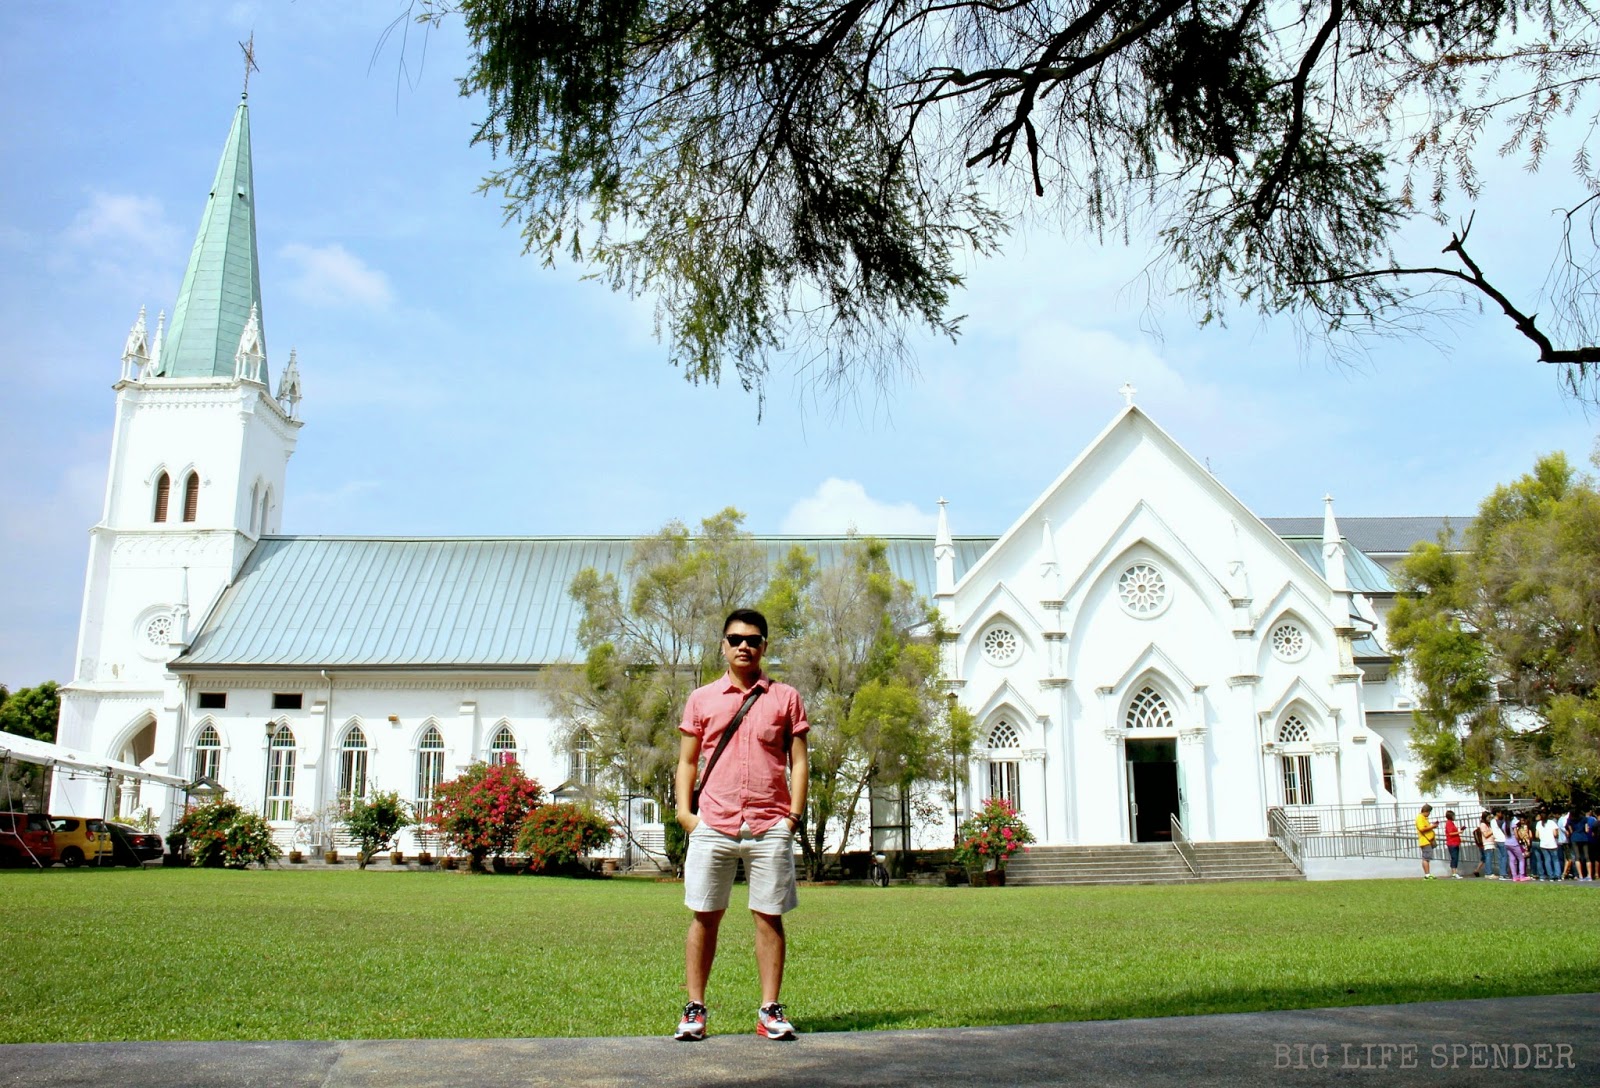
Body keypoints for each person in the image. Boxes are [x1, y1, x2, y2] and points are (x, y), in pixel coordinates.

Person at [673, 608, 810, 1042]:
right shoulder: (702, 699)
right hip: (713, 822)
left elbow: (800, 761)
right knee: (704, 916)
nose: (743, 646)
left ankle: (770, 1010)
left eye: (752, 639)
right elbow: (687, 761)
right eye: (735, 639)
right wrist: (684, 814)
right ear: (723, 645)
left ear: (765, 646)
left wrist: (792, 817)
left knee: (769, 917)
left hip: (770, 823)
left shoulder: (785, 697)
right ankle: (695, 1009)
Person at [1415, 804, 1439, 879]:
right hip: (1425, 841)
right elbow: (1422, 829)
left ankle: (1428, 874)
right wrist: (1432, 826)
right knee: (1426, 858)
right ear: (1426, 811)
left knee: (1427, 857)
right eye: (1429, 812)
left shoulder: (1424, 818)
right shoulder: (1420, 818)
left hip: (1428, 840)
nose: (1429, 814)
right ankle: (1427, 875)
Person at [1443, 810, 1462, 879]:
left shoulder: (1451, 823)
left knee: (1455, 857)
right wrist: (1459, 832)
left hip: (1455, 842)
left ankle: (1454, 872)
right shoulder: (1449, 823)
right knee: (1454, 857)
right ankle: (1454, 873)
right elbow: (1450, 833)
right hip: (1452, 843)